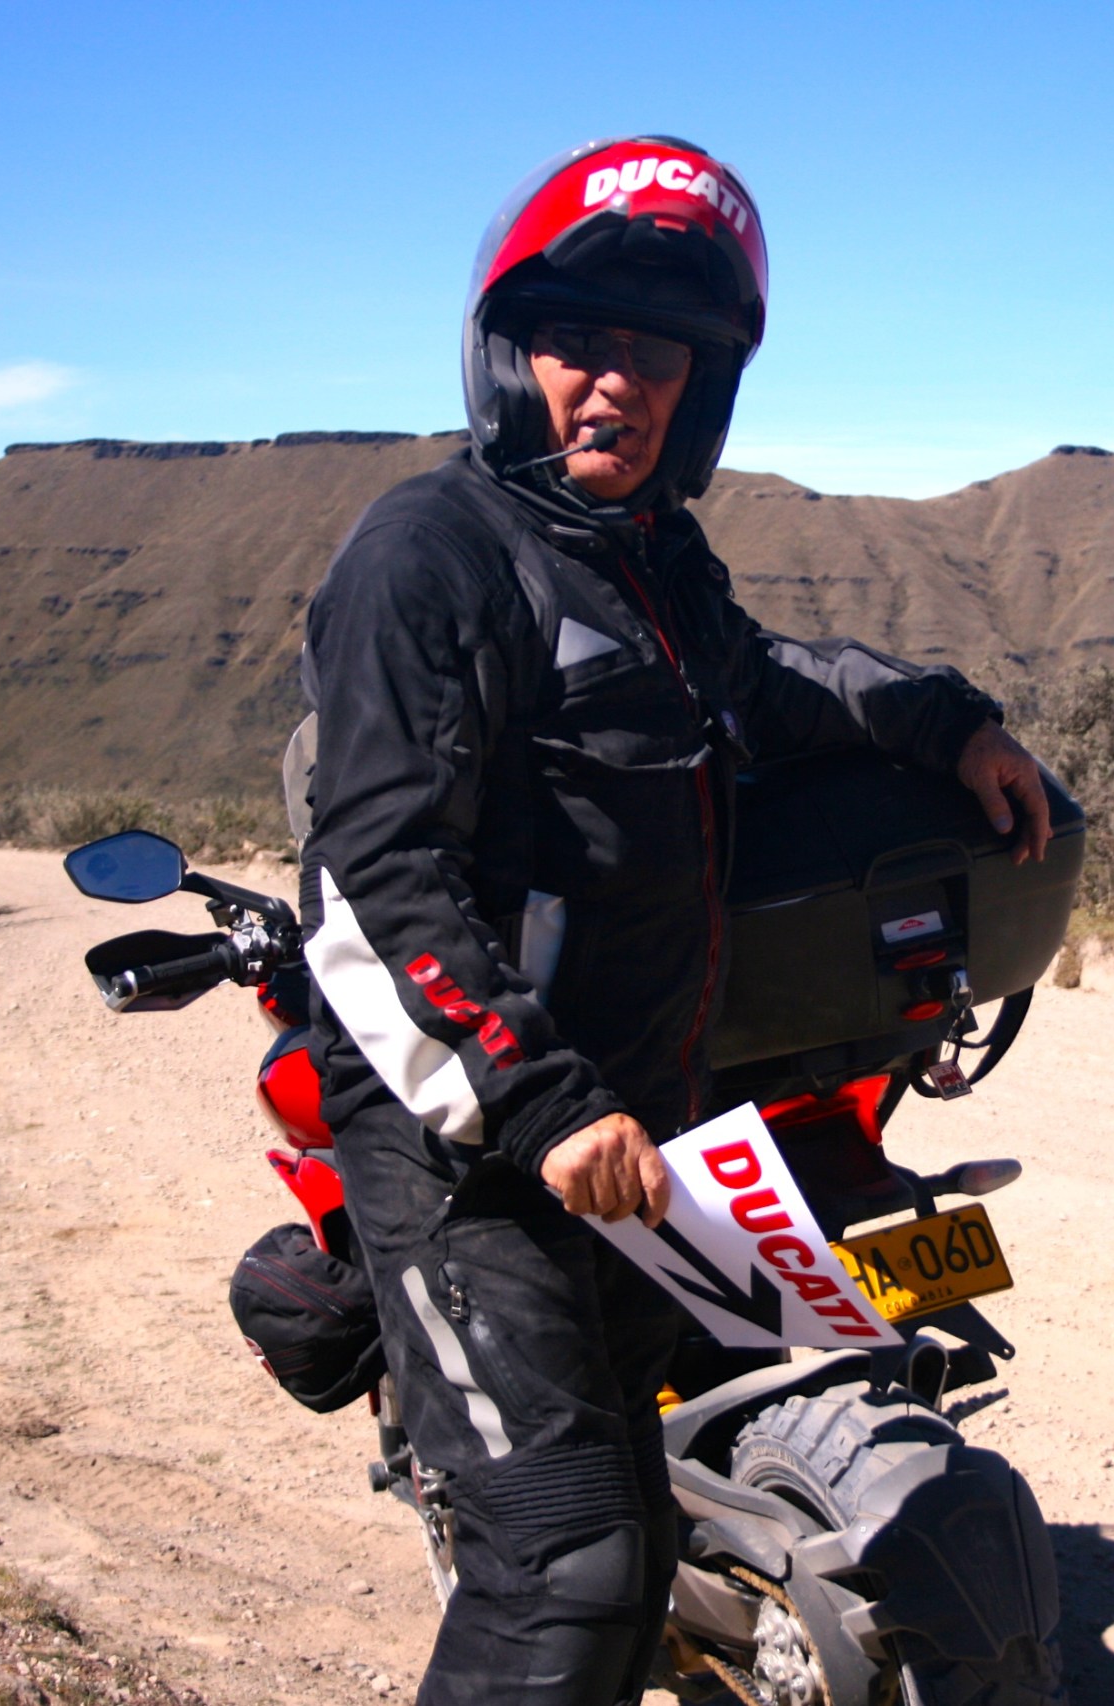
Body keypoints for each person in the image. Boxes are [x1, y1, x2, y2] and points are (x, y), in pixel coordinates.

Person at [297, 135, 1050, 1706]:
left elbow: (768, 682)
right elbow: (379, 866)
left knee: (627, 1543)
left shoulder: (650, 563)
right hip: (473, 1152)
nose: (615, 385)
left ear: (698, 389)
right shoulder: (425, 555)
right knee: (561, 1567)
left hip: (631, 1128)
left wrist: (945, 723)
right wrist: (536, 1094)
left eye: (657, 353)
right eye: (583, 341)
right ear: (515, 354)